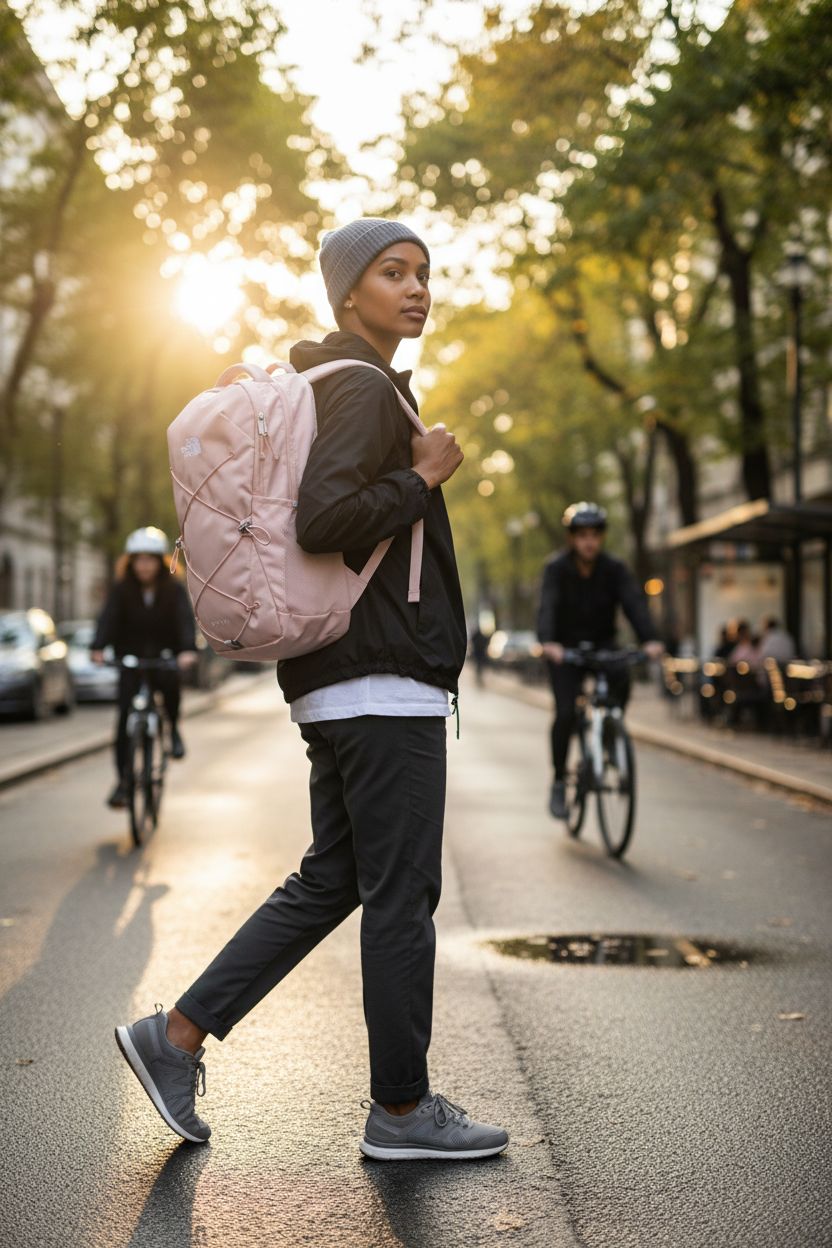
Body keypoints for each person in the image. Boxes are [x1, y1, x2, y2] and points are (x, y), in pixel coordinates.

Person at [114, 219, 509, 1161]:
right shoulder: (366, 391)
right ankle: (403, 1113)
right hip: (381, 684)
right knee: (402, 895)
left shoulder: (346, 385)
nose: (416, 289)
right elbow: (326, 519)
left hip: (342, 682)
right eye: (392, 273)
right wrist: (420, 477)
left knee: (334, 877)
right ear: (346, 293)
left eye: (423, 273)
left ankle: (172, 1040)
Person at [537, 502, 663, 820]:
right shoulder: (556, 568)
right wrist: (548, 642)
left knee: (621, 680)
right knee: (565, 712)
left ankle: (609, 733)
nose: (589, 541)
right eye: (582, 535)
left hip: (604, 646)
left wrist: (650, 639)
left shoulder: (615, 569)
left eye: (594, 535)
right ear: (572, 539)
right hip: (565, 650)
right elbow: (547, 606)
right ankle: (558, 780)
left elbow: (634, 603)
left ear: (601, 538)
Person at [92, 527, 198, 808]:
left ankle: (173, 729)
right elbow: (108, 619)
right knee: (124, 723)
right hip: (131, 661)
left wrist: (187, 650)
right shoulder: (121, 590)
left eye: (150, 559)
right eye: (138, 559)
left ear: (160, 561)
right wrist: (98, 647)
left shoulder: (173, 591)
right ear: (130, 562)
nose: (144, 565)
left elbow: (184, 622)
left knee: (171, 688)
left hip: (164, 658)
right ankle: (124, 782)